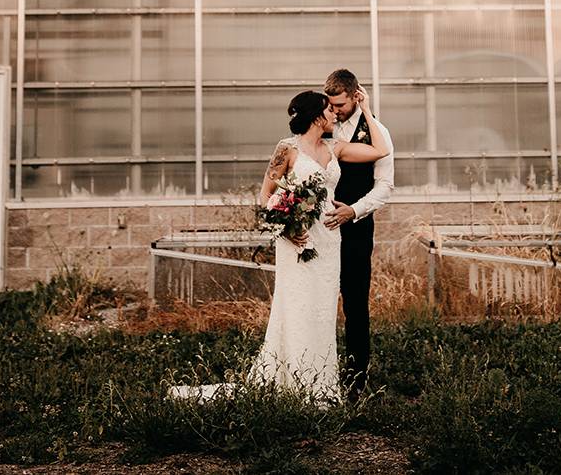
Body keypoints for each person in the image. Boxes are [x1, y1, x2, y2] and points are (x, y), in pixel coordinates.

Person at [168, 89, 390, 404]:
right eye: (329, 110)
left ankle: (319, 381)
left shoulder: (335, 147)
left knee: (322, 312)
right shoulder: (285, 149)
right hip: (296, 242)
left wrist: (366, 108)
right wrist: (284, 229)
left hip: (328, 240)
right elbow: (265, 195)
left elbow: (379, 150)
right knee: (297, 307)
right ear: (316, 116)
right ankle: (294, 381)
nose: (335, 115)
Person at [320, 68, 395, 400]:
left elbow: (385, 187)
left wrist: (354, 210)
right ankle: (316, 370)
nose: (334, 111)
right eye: (331, 105)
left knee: (355, 304)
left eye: (340, 104)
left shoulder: (378, 132)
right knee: (319, 299)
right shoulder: (321, 128)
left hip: (356, 230)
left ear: (355, 96)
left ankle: (355, 379)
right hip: (320, 231)